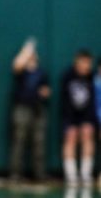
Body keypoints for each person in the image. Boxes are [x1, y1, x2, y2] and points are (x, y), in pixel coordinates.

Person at [9, 39, 51, 183]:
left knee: (39, 142)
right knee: (19, 140)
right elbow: (17, 65)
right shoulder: (21, 72)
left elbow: (46, 90)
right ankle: (15, 173)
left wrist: (44, 93)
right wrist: (27, 49)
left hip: (38, 109)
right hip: (22, 108)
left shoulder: (42, 73)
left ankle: (39, 174)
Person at [60, 49, 96, 185]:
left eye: (89, 63)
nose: (87, 65)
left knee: (87, 133)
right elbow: (65, 101)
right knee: (70, 136)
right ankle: (71, 175)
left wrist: (89, 121)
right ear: (77, 62)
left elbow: (93, 100)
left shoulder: (92, 78)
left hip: (87, 115)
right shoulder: (67, 76)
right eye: (84, 62)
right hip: (70, 115)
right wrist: (70, 123)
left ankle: (85, 174)